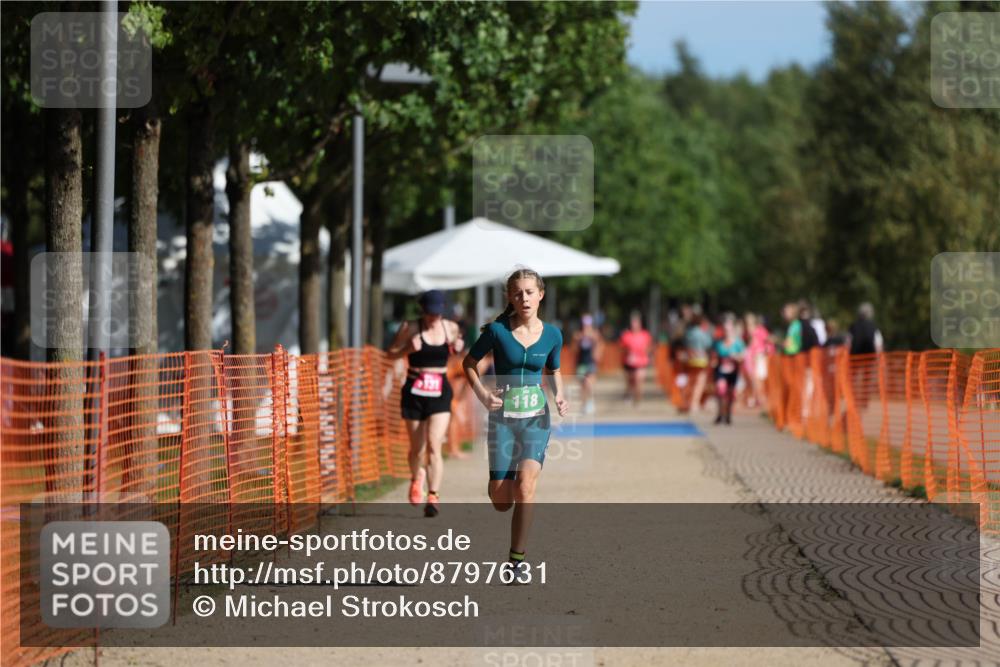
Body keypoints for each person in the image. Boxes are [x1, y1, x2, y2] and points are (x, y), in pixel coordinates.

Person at [463, 268, 568, 584]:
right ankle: (501, 481)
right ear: (510, 297)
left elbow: (554, 369)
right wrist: (483, 395)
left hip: (536, 417)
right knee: (501, 500)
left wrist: (559, 394)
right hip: (503, 419)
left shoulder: (553, 334)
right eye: (518, 293)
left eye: (530, 292)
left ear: (540, 295)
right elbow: (468, 363)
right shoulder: (497, 331)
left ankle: (516, 562)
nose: (524, 298)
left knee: (525, 486)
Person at [387, 290, 464, 518]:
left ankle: (433, 496)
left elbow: (457, 350)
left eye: (437, 313)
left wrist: (458, 347)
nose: (433, 318)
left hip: (439, 390)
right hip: (414, 389)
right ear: (423, 310)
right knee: (417, 449)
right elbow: (390, 353)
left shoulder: (450, 328)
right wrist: (406, 350)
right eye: (430, 313)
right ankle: (417, 476)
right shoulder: (410, 327)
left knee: (434, 444)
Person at [713, 315, 746, 425]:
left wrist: (736, 357)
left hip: (733, 370)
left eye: (729, 329)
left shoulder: (738, 342)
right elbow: (714, 355)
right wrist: (715, 360)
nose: (727, 332)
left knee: (730, 392)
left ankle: (728, 414)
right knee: (721, 390)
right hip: (720, 370)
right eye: (725, 329)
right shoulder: (718, 342)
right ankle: (720, 413)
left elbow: (743, 356)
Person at [619, 311, 653, 406]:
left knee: (638, 380)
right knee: (630, 382)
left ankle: (637, 399)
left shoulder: (645, 335)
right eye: (633, 323)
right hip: (628, 362)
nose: (634, 325)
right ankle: (628, 394)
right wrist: (628, 352)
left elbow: (650, 347)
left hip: (641, 362)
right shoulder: (626, 335)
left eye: (636, 322)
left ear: (640, 324)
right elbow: (621, 348)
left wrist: (646, 352)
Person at [572, 313, 602, 415]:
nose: (586, 326)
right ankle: (584, 404)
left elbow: (598, 344)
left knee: (588, 384)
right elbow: (574, 349)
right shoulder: (578, 335)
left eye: (588, 324)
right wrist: (580, 339)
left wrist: (591, 338)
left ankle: (590, 402)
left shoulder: (594, 334)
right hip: (581, 363)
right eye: (584, 324)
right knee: (582, 386)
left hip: (590, 362)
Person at [685, 315, 713, 413]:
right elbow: (708, 344)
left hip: (691, 358)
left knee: (692, 382)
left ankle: (689, 402)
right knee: (700, 383)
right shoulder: (701, 333)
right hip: (701, 359)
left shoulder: (689, 332)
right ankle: (694, 404)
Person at [743, 312, 772, 409]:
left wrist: (764, 352)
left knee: (759, 379)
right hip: (751, 357)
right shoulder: (747, 333)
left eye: (750, 324)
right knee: (752, 379)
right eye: (747, 324)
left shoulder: (761, 331)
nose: (749, 326)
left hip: (759, 357)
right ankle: (754, 398)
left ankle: (761, 400)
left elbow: (769, 343)